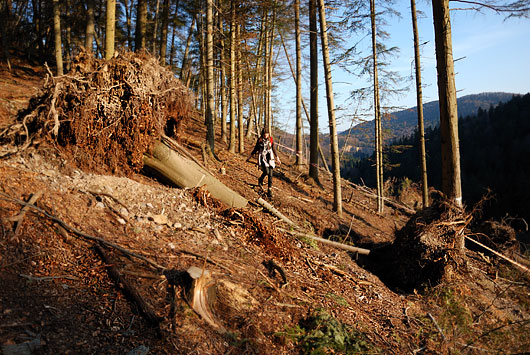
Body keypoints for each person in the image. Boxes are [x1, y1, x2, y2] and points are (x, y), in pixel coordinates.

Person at [246, 128, 281, 197]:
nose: (266, 135)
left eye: (267, 133)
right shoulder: (260, 140)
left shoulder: (270, 139)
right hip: (262, 157)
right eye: (265, 134)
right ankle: (260, 179)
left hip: (270, 157)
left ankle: (269, 189)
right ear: (263, 134)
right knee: (266, 171)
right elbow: (255, 148)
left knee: (271, 174)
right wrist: (250, 156)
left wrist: (277, 158)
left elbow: (273, 148)